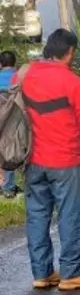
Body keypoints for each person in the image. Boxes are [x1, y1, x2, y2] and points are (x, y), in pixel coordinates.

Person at [17, 28, 80, 291]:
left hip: (32, 160)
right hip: (64, 160)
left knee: (38, 215)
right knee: (70, 214)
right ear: (70, 52)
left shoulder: (24, 76)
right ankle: (71, 273)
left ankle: (42, 274)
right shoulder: (72, 82)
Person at [1, 50, 21, 199]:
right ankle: (8, 187)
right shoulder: (19, 78)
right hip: (13, 122)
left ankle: (8, 185)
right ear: (14, 63)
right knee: (10, 152)